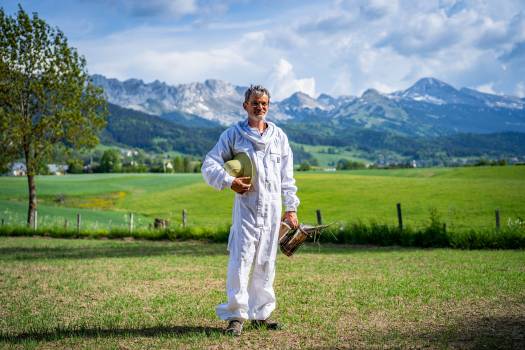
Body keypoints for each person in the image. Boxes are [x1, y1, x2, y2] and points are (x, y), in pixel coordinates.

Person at [201, 85, 300, 336]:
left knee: (266, 262)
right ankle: (236, 316)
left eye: (264, 103)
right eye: (255, 103)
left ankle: (260, 314)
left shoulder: (279, 137)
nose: (260, 107)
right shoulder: (233, 135)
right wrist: (229, 181)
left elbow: (287, 177)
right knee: (241, 261)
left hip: (272, 209)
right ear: (245, 105)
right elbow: (209, 163)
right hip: (246, 209)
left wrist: (291, 208)